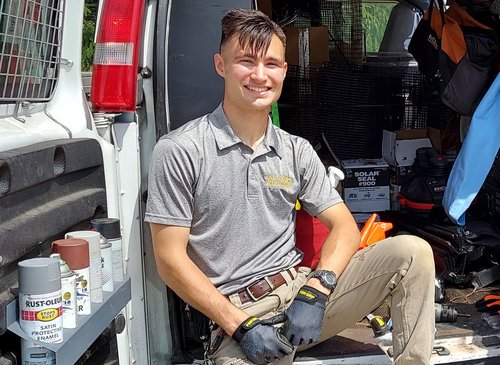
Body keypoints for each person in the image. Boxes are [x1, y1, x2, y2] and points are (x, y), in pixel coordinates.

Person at [145, 8, 435, 365]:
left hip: (302, 298)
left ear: (284, 71)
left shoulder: (295, 150)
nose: (259, 75)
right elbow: (169, 261)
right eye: (246, 61)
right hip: (239, 316)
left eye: (271, 63)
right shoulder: (180, 150)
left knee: (412, 253)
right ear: (221, 65)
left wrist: (317, 288)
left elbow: (344, 227)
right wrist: (241, 326)